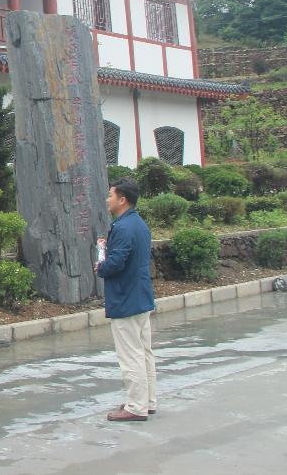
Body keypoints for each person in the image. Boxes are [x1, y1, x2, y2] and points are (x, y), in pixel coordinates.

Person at [96, 177, 157, 422]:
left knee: (130, 354)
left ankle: (136, 406)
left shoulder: (123, 227)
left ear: (122, 200)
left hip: (126, 298)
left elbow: (116, 263)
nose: (108, 199)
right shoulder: (138, 224)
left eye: (111, 195)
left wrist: (101, 265)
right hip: (141, 296)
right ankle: (147, 401)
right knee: (144, 352)